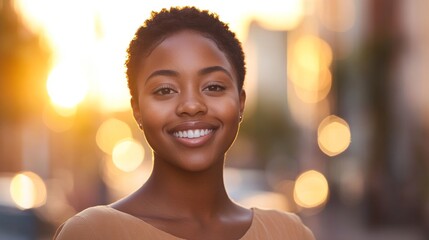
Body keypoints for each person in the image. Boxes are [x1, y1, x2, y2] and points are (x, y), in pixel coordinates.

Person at [53, 6, 315, 240]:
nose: (191, 105)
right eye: (165, 90)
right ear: (137, 110)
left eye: (213, 86)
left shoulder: (289, 233)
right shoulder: (94, 233)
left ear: (240, 103)